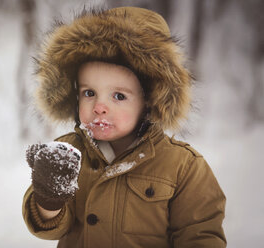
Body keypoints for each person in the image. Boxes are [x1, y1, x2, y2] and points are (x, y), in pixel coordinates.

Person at [22, 6, 226, 248]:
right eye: (89, 93)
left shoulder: (183, 167)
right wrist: (49, 199)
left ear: (150, 101)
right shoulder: (67, 153)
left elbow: (200, 235)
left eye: (118, 96)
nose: (99, 106)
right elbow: (50, 228)